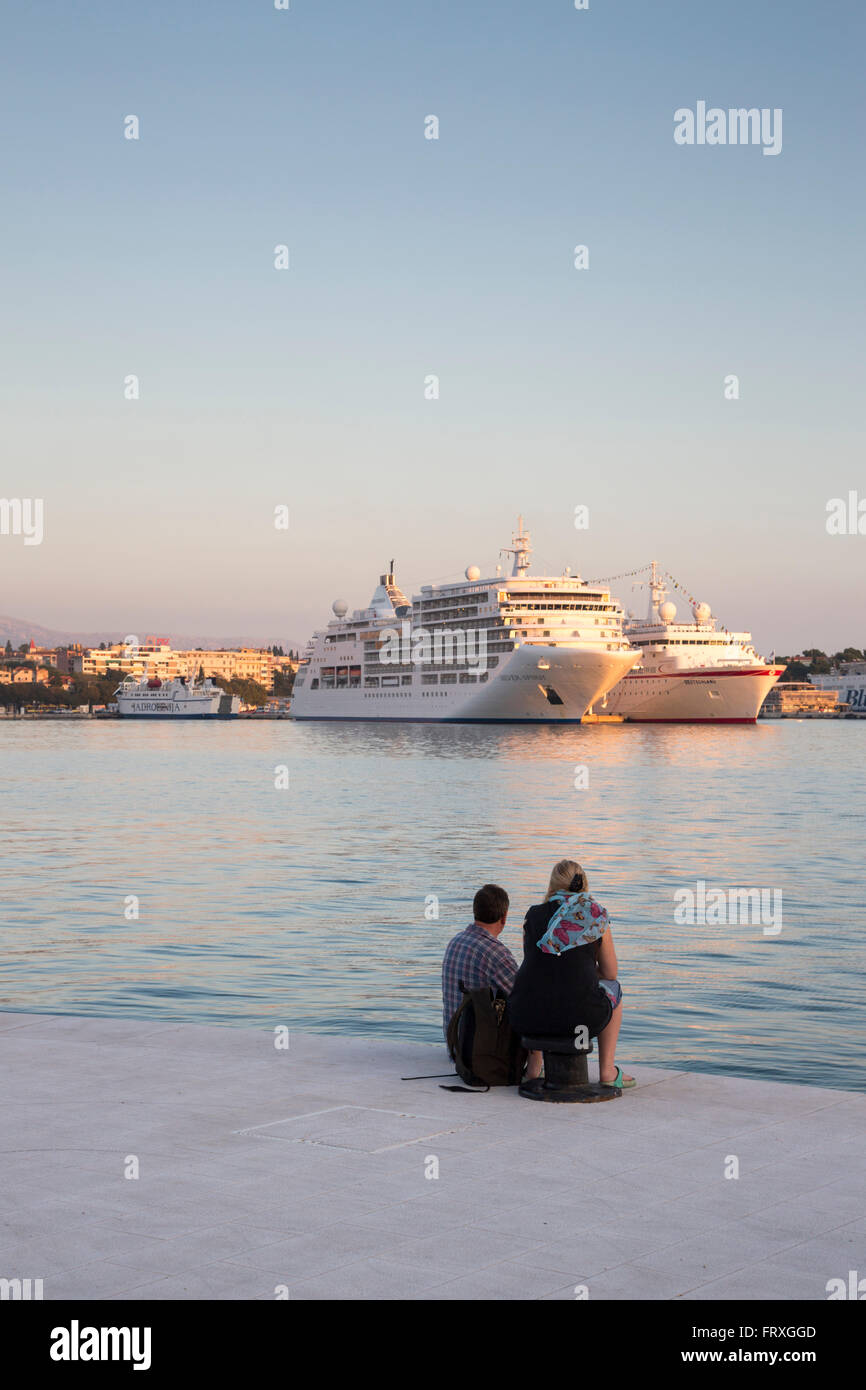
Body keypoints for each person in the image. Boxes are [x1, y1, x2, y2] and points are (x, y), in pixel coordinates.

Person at [507, 858, 635, 1090]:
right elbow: (610, 972)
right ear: (584, 884)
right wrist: (584, 968)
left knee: (537, 984)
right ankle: (607, 1070)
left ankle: (535, 1065)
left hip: (527, 1015)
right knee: (614, 987)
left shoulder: (533, 915)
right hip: (582, 1019)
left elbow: (535, 964)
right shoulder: (595, 916)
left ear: (552, 885)